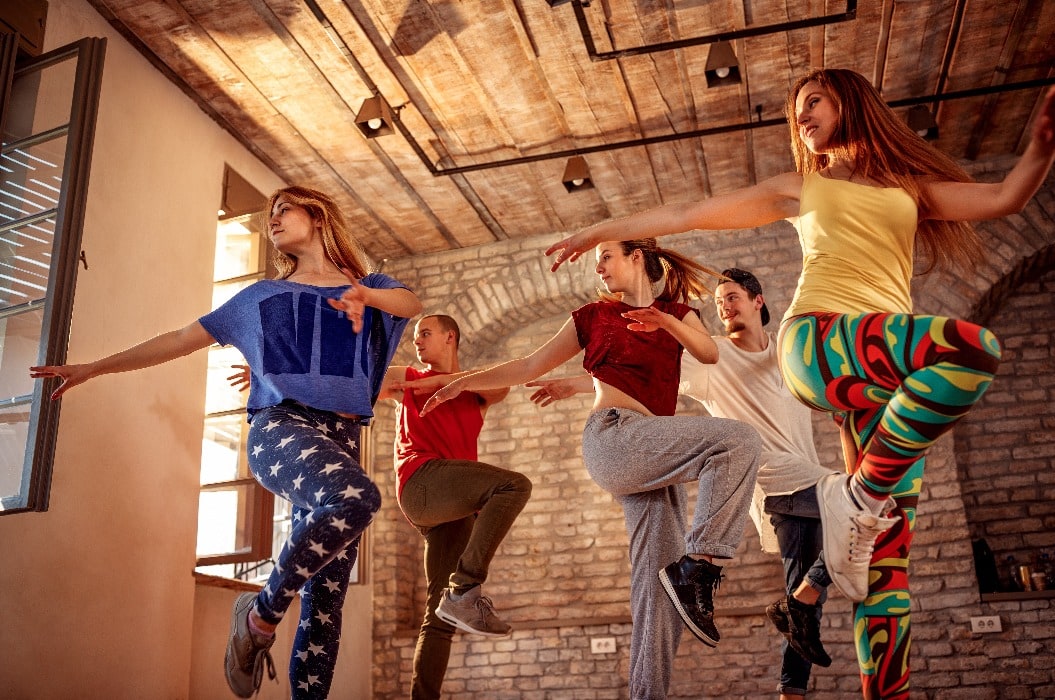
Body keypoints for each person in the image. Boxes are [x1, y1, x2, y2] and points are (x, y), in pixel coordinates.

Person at [544, 69, 1055, 699]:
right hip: (820, 340)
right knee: (971, 348)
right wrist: (600, 232)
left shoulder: (909, 186)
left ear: (851, 100)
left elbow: (1006, 196)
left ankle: (860, 549)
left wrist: (1041, 148)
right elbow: (687, 211)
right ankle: (858, 502)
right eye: (796, 110)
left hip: (883, 374)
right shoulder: (803, 187)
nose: (802, 116)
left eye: (813, 102)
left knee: (882, 570)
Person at [30, 185, 422, 699]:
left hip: (343, 438)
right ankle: (258, 617)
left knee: (328, 599)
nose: (273, 221)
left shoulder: (370, 288)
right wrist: (94, 367)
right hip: (283, 429)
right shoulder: (258, 297)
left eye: (284, 210)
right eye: (269, 216)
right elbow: (177, 339)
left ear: (319, 215)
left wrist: (365, 295)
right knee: (358, 498)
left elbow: (411, 302)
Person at [420, 238, 761, 699]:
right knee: (737, 440)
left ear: (636, 257)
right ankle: (699, 567)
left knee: (657, 594)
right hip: (615, 438)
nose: (598, 269)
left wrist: (663, 322)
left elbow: (709, 353)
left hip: (653, 457)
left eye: (606, 257)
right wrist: (460, 382)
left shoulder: (678, 315)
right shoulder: (592, 316)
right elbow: (526, 364)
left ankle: (649, 690)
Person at [528, 268, 839, 699]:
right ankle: (770, 592)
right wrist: (575, 385)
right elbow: (641, 369)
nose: (724, 307)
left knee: (808, 597)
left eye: (731, 298)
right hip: (773, 476)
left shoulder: (788, 355)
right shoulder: (713, 361)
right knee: (870, 504)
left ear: (758, 300)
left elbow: (823, 393)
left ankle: (792, 684)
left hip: (804, 475)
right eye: (718, 303)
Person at [375, 313, 532, 700]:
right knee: (514, 485)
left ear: (451, 338)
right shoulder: (407, 379)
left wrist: (445, 383)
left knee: (439, 617)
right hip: (422, 484)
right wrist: (277, 372)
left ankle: (424, 692)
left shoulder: (476, 389)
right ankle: (466, 588)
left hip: (455, 509)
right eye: (415, 337)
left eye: (425, 334)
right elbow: (356, 377)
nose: (417, 342)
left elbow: (503, 384)